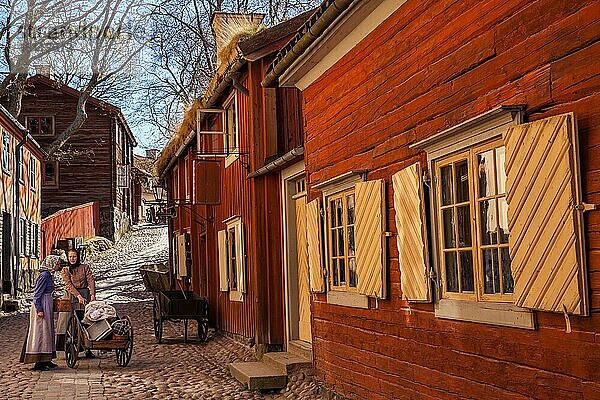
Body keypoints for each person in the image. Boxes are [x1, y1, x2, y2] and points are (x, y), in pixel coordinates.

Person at [20, 255, 62, 371]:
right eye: (57, 263)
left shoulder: (49, 275)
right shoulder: (44, 276)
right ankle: (39, 361)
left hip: (47, 303)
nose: (59, 265)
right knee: (41, 332)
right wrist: (39, 309)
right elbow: (37, 295)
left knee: (47, 331)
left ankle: (47, 359)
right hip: (42, 304)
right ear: (51, 264)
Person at [60, 248, 97, 358]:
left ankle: (87, 348)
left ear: (78, 257)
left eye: (74, 256)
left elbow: (91, 280)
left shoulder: (84, 267)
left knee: (86, 321)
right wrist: (78, 296)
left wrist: (92, 294)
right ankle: (70, 348)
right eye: (70, 257)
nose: (72, 259)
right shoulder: (65, 270)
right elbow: (69, 285)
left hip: (84, 295)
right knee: (70, 321)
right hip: (71, 296)